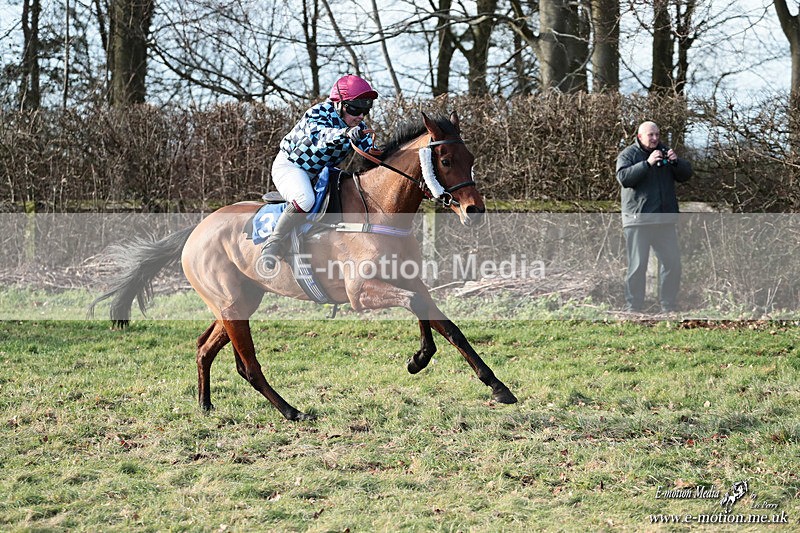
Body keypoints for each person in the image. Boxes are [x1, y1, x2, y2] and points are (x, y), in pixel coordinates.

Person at [260, 74, 379, 269]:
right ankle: (273, 242)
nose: (360, 116)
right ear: (339, 104)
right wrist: (345, 133)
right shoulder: (318, 113)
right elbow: (319, 136)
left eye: (365, 110)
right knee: (305, 199)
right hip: (291, 167)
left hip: (320, 175)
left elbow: (372, 155)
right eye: (355, 109)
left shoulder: (359, 128)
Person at [615, 121, 693, 313]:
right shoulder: (628, 155)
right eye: (650, 135)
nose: (655, 138)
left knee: (672, 263)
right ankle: (634, 308)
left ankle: (668, 306)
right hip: (638, 220)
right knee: (637, 266)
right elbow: (624, 178)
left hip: (664, 220)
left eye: (657, 134)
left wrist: (676, 162)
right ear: (640, 136)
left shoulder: (666, 152)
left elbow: (686, 174)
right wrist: (646, 164)